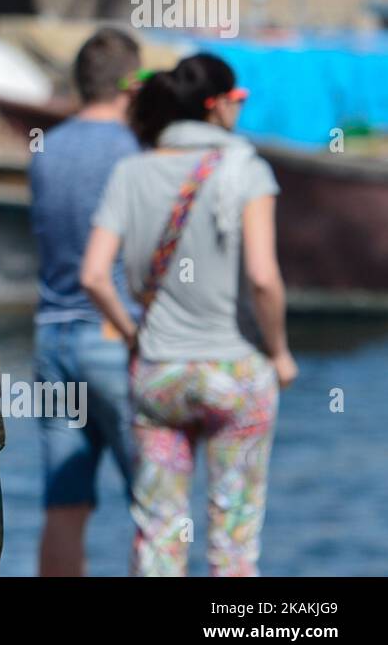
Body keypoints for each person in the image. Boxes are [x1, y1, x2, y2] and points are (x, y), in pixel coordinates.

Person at [80, 53, 299, 576]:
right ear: (218, 105)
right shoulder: (247, 169)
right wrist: (281, 353)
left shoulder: (131, 171)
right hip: (235, 373)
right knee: (234, 539)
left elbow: (92, 275)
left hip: (159, 374)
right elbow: (264, 278)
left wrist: (135, 334)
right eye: (239, 100)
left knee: (159, 530)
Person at [28, 27, 142, 576]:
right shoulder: (135, 152)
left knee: (63, 504)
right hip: (114, 333)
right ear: (131, 85)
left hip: (53, 338)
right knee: (155, 506)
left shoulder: (47, 148)